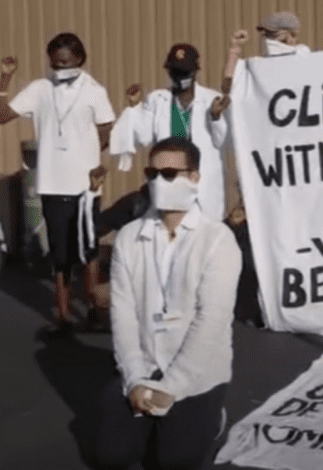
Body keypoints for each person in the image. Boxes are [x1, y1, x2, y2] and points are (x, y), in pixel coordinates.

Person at [95, 136, 241, 470]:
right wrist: (133, 378)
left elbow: (212, 320)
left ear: (194, 178)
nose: (160, 181)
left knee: (176, 461)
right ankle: (151, 420)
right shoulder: (130, 237)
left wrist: (172, 387)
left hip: (198, 372)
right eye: (152, 173)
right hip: (145, 364)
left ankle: (210, 416)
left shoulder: (217, 240)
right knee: (110, 456)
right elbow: (123, 313)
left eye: (171, 174)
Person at [0, 36, 115, 336]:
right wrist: (4, 80)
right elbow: (2, 116)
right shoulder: (39, 89)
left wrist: (94, 157)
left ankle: (93, 310)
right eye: (55, 62)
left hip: (86, 188)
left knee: (88, 251)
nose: (60, 67)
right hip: (52, 184)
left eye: (66, 61)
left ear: (80, 59)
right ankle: (63, 317)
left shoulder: (94, 91)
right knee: (60, 255)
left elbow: (107, 128)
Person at [109, 44, 230, 222]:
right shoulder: (157, 99)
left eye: (184, 72)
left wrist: (216, 117)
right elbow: (144, 137)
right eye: (175, 72)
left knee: (204, 230)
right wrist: (135, 107)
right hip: (169, 174)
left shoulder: (212, 99)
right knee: (168, 223)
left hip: (200, 176)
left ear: (195, 71)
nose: (180, 77)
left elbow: (222, 142)